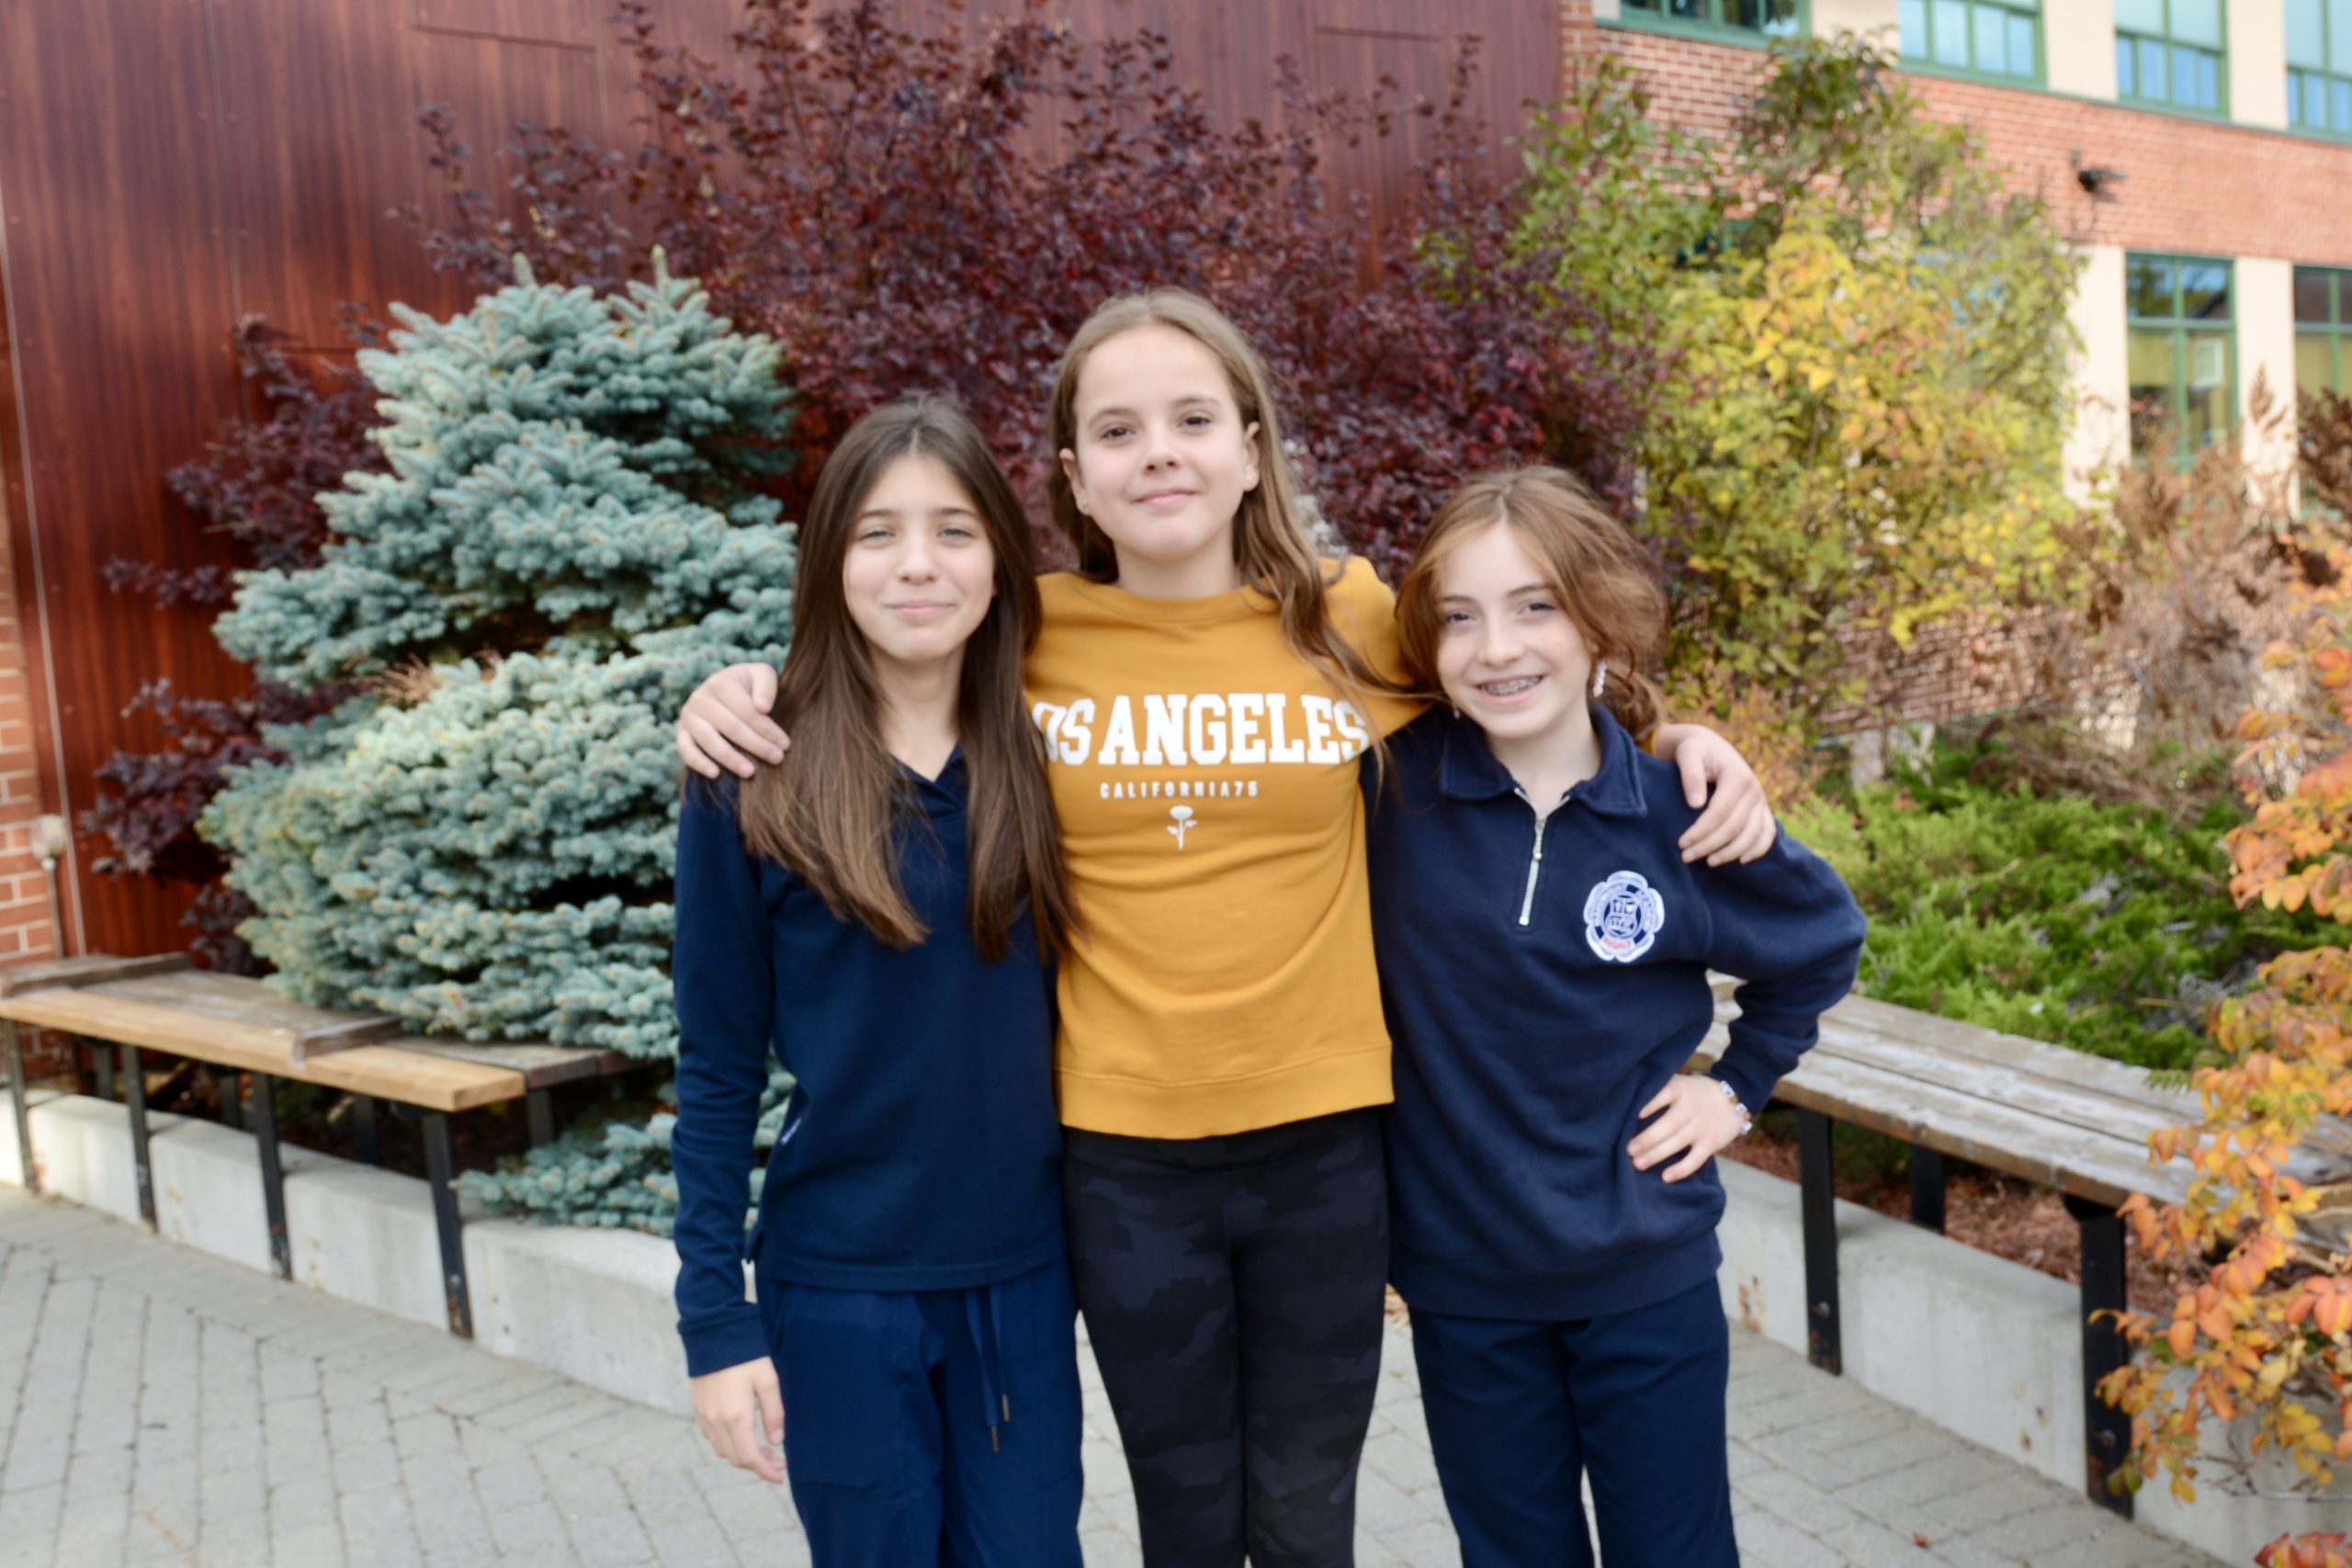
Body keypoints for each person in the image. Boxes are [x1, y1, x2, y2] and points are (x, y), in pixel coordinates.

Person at [674, 290, 1778, 1568]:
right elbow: (888, 652)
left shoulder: (1351, 616)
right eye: (1121, 428)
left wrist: (1677, 737)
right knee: (1186, 1524)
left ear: (1251, 447)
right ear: (1075, 475)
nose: (1162, 451)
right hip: (1122, 1159)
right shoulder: (1024, 637)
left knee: (1310, 1521)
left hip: (1325, 1152)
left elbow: (1526, 678)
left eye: (1195, 418)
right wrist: (745, 687)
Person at [1373, 466, 1866, 1568]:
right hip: (1464, 1284)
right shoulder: (1386, 794)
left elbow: (1821, 942)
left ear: (1599, 621)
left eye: (1534, 606)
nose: (1497, 647)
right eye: (1460, 618)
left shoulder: (1677, 814)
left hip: (1643, 1276)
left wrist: (1736, 1087)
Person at [668, 401, 1086, 1568]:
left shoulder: (1054, 757)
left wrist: (1655, 737)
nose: (917, 564)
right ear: (829, 563)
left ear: (1000, 558)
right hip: (839, 1290)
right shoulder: (753, 772)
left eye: (953, 531)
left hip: (1022, 1280)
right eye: (876, 533)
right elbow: (715, 1064)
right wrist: (714, 1322)